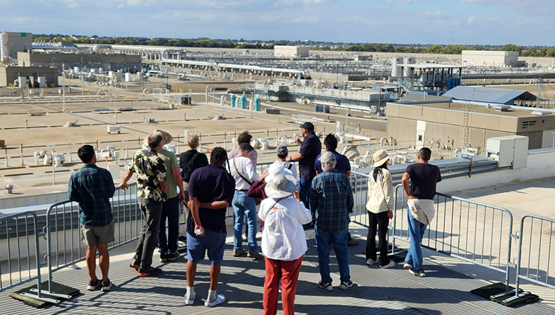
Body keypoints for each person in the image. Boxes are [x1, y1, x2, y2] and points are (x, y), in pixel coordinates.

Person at [185, 147, 235, 307]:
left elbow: (192, 201)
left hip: (195, 226)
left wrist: (198, 222)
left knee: (192, 259)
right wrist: (205, 205)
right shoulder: (228, 178)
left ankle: (190, 294)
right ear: (224, 160)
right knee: (215, 261)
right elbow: (224, 203)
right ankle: (212, 297)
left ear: (211, 158)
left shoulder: (197, 173)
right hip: (217, 226)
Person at [259, 173, 312, 315]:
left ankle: (268, 312)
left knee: (270, 283)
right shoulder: (294, 205)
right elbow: (307, 219)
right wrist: (299, 201)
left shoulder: (266, 203)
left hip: (271, 249)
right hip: (291, 250)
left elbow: (262, 217)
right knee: (288, 286)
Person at [68, 145, 116, 291]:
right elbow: (110, 193)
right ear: (94, 156)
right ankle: (105, 281)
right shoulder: (104, 173)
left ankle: (92, 280)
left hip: (87, 218)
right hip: (104, 217)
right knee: (103, 250)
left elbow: (72, 196)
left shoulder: (75, 176)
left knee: (90, 250)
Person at [120, 131, 168, 277]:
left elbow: (129, 172)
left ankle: (137, 259)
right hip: (153, 198)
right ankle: (145, 266)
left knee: (146, 228)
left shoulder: (137, 154)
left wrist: (123, 182)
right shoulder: (157, 160)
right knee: (152, 232)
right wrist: (164, 193)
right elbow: (163, 184)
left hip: (141, 196)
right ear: (160, 145)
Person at [309, 151, 354, 291]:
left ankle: (326, 282)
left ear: (322, 165)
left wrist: (313, 217)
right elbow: (350, 200)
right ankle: (345, 281)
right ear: (334, 164)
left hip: (322, 222)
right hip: (341, 222)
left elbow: (312, 202)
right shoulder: (343, 178)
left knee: (323, 253)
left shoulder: (317, 179)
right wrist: (348, 212)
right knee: (342, 251)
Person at [401, 147, 442, 277]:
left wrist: (408, 193)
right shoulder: (435, 170)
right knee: (417, 238)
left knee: (414, 238)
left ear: (418, 157)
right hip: (428, 207)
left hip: (415, 206)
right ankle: (409, 259)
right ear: (429, 158)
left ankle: (418, 268)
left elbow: (404, 179)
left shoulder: (412, 167)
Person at [314, 134, 359, 246]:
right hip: (340, 194)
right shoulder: (343, 159)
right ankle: (345, 239)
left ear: (325, 146)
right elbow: (348, 174)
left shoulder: (319, 158)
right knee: (342, 218)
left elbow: (317, 174)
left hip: (324, 195)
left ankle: (327, 241)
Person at [151, 130, 185, 263]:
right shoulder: (170, 156)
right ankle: (172, 251)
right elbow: (177, 176)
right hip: (170, 195)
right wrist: (181, 191)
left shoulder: (148, 156)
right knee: (173, 225)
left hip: (156, 197)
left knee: (159, 226)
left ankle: (162, 251)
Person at [230, 143, 263, 259]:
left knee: (237, 222)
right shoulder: (246, 161)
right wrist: (261, 179)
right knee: (251, 222)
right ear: (245, 151)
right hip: (246, 193)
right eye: (249, 153)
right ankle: (253, 249)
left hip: (234, 194)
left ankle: (237, 247)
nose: (250, 155)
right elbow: (251, 175)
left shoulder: (230, 161)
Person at [365, 150, 395, 268]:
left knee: (371, 232)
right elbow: (388, 193)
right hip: (381, 207)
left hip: (371, 205)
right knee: (382, 234)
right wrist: (390, 208)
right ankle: (384, 261)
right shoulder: (386, 173)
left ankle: (371, 257)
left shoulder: (371, 173)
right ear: (384, 161)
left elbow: (370, 191)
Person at [179, 134, 209, 244]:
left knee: (188, 211)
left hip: (186, 185)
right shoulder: (202, 157)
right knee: (200, 209)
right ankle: (201, 232)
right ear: (198, 144)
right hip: (199, 186)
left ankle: (190, 235)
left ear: (188, 144)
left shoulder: (182, 156)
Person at [288, 122, 322, 211]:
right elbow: (308, 149)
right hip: (310, 171)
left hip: (307, 173)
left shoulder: (310, 139)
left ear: (305, 130)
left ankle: (303, 216)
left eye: (302, 129)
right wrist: (301, 143)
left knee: (300, 193)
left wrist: (290, 158)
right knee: (308, 195)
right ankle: (309, 216)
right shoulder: (313, 138)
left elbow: (301, 154)